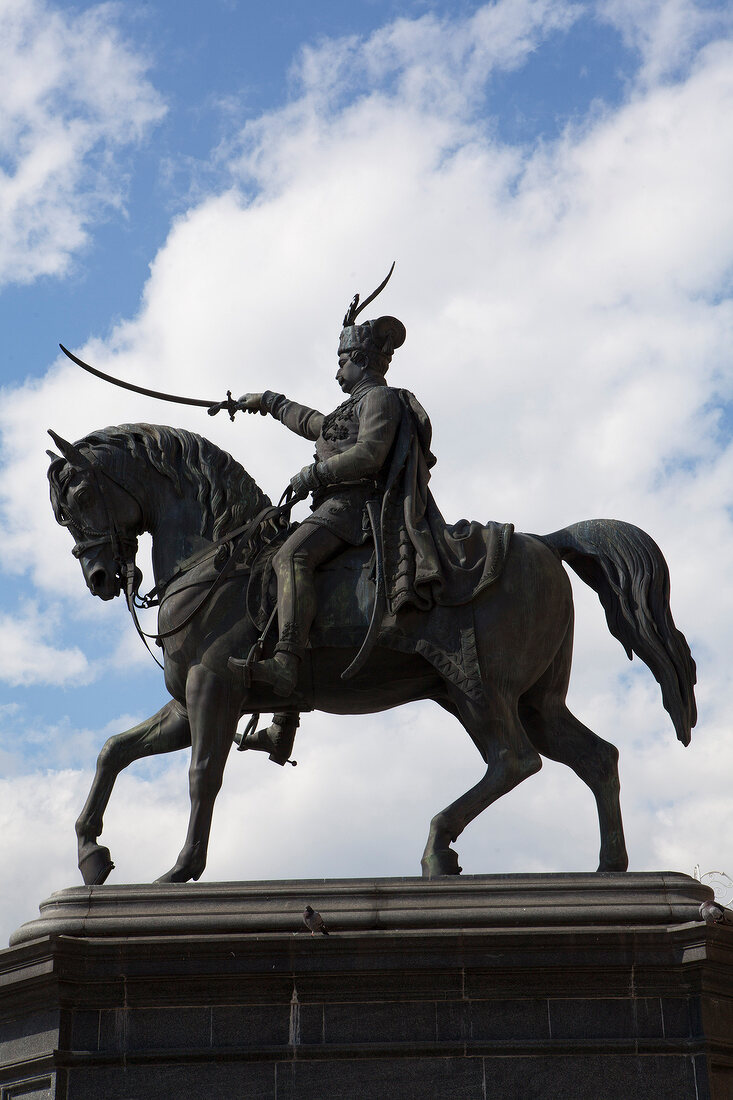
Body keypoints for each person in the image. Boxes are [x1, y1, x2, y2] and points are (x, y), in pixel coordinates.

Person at [227, 302, 407, 697]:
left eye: (342, 363)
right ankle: (284, 720)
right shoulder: (350, 407)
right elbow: (312, 423)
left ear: (361, 361)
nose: (337, 372)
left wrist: (315, 473)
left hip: (355, 508)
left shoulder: (380, 399)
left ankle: (287, 660)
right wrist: (266, 401)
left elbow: (369, 455)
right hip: (333, 506)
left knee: (291, 557)